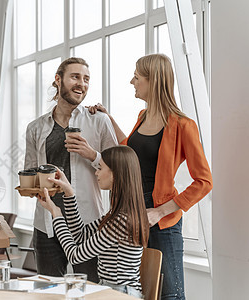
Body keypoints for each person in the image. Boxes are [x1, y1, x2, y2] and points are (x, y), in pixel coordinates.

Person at [89, 54, 213, 299]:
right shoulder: (142, 117)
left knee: (170, 294)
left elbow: (204, 181)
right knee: (137, 290)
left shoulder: (182, 125)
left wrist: (160, 211)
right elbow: (131, 152)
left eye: (136, 77)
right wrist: (108, 118)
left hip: (161, 221)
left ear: (152, 81)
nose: (131, 81)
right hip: (130, 215)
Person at [24, 57, 117, 282]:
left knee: (89, 291)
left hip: (87, 226)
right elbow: (29, 171)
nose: (82, 84)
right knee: (48, 293)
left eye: (86, 79)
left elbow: (119, 172)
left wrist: (91, 154)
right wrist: (31, 188)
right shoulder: (36, 127)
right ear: (58, 80)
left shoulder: (99, 121)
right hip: (47, 225)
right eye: (75, 77)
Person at [37, 146, 149, 297]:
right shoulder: (118, 216)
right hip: (111, 291)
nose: (96, 172)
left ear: (115, 174)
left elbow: (74, 256)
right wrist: (69, 194)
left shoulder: (120, 221)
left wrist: (56, 214)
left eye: (100, 168)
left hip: (120, 295)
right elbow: (80, 235)